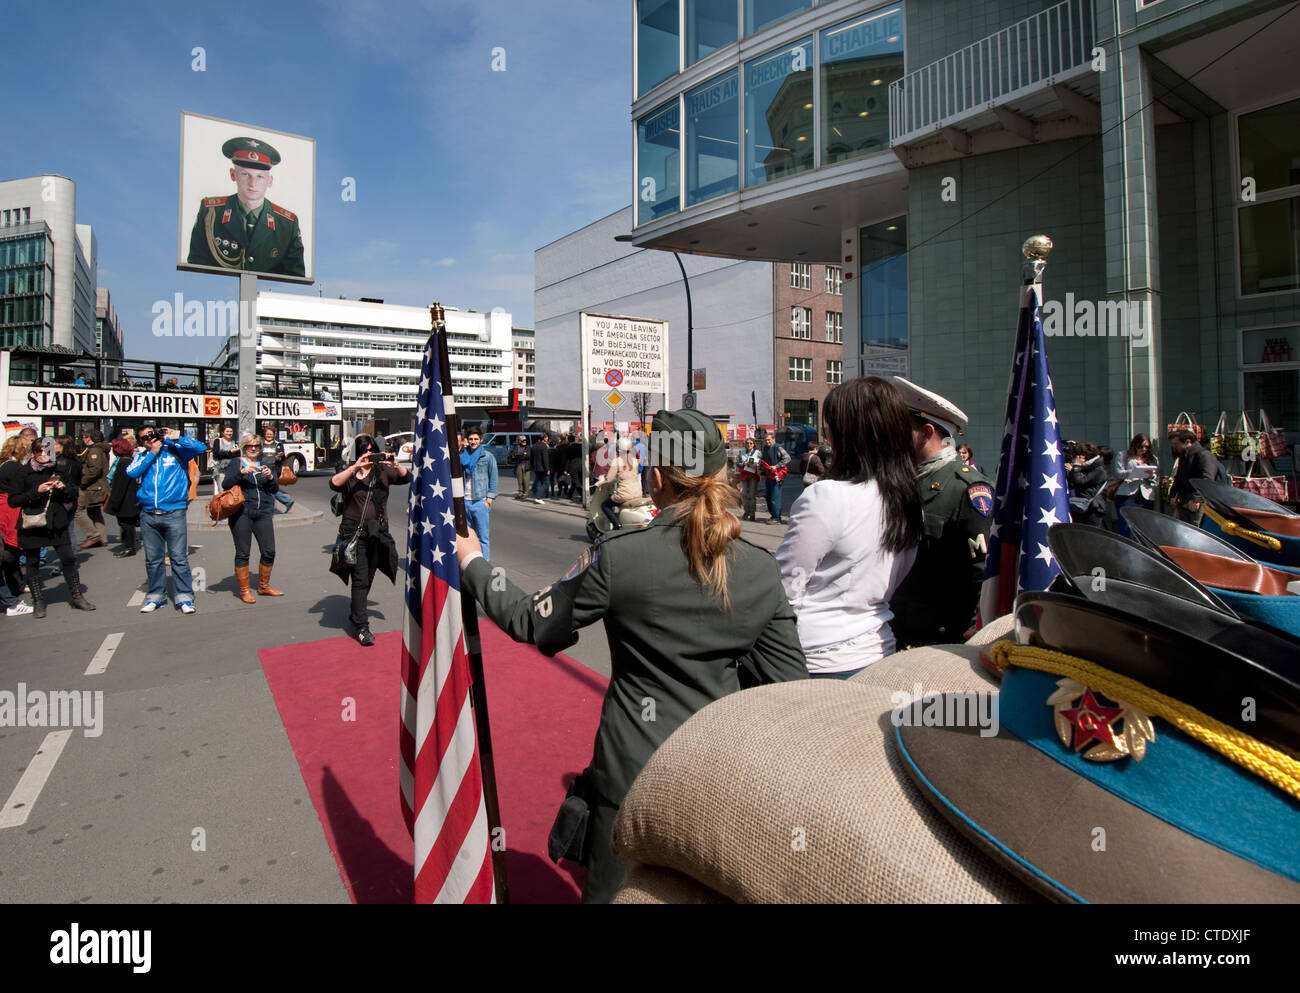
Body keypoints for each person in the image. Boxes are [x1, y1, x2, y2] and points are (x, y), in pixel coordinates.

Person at [454, 407, 808, 902]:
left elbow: (531, 620)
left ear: (657, 476)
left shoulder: (620, 555)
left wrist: (473, 562)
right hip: (716, 775)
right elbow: (790, 689)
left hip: (631, 778)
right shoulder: (760, 569)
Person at [775, 378, 922, 678]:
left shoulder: (827, 496)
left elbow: (785, 587)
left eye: (832, 428)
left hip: (819, 656)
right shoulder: (907, 497)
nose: (828, 437)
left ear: (849, 435)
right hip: (879, 647)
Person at [888, 376, 994, 649]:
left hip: (941, 638)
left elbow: (980, 574)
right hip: (900, 627)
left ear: (926, 432)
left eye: (900, 430)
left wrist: (969, 638)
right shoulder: (907, 481)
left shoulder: (968, 489)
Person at [329, 435, 410, 645]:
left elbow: (406, 477)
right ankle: (362, 626)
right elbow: (334, 483)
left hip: (378, 532)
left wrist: (394, 463)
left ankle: (356, 612)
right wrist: (355, 466)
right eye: (364, 449)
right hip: (354, 532)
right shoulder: (350, 471)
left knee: (369, 577)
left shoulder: (382, 470)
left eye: (372, 449)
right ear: (358, 452)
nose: (368, 453)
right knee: (360, 578)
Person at [186, 136, 306, 277]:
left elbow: (295, 279)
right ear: (233, 175)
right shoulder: (211, 212)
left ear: (270, 181)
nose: (252, 183)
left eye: (259, 176)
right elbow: (196, 268)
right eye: (245, 174)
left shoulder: (287, 224)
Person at [126, 425, 207, 614]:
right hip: (148, 514)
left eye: (151, 435)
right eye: (144, 438)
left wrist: (173, 438)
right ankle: (156, 596)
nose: (149, 439)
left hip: (174, 512)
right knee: (153, 560)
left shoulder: (175, 450)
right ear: (141, 442)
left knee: (179, 559)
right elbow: (132, 473)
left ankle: (184, 597)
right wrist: (152, 453)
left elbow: (200, 448)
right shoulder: (141, 456)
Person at [12, 437, 95, 617]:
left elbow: (73, 493)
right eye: (39, 451)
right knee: (32, 562)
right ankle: (38, 601)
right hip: (32, 522)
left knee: (68, 558)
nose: (43, 455)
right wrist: (36, 491)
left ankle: (76, 596)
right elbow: (14, 500)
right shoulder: (23, 472)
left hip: (56, 521)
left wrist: (63, 488)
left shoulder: (60, 468)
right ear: (33, 453)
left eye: (47, 451)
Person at [222, 433, 283, 603]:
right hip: (242, 512)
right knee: (243, 553)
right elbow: (226, 484)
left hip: (263, 512)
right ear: (244, 447)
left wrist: (270, 477)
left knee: (269, 550)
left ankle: (264, 586)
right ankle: (245, 590)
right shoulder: (236, 463)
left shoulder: (264, 464)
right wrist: (241, 473)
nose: (253, 448)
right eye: (250, 446)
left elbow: (273, 489)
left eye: (256, 446)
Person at [0, 435, 33, 616]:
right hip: (10, 510)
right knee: (11, 550)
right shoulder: (15, 468)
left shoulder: (5, 464)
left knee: (10, 551)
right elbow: (24, 489)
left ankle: (15, 586)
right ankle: (11, 600)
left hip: (6, 508)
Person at [1168, 428, 1221, 524]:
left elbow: (1207, 480)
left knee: (1197, 528)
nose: (1175, 447)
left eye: (1176, 444)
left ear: (1187, 442)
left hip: (1198, 502)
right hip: (1184, 500)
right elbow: (1179, 478)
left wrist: (1197, 499)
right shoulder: (1184, 457)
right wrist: (1173, 494)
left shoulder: (1204, 456)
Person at [460, 427, 498, 560]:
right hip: (465, 501)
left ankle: (485, 564)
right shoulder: (462, 457)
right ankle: (471, 564)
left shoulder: (487, 457)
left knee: (483, 537)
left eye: (476, 439)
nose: (473, 441)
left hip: (480, 501)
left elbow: (493, 478)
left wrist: (489, 500)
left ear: (481, 440)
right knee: (467, 537)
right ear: (467, 441)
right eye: (470, 439)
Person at [1112, 434, 1158, 539]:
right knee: (1125, 524)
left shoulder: (1152, 458)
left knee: (1144, 525)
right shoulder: (1123, 455)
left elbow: (1156, 479)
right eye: (1140, 446)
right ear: (1134, 445)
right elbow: (1119, 473)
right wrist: (1135, 471)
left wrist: (1151, 475)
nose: (1143, 449)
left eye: (1146, 447)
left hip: (1145, 495)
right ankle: (1124, 545)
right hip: (1127, 493)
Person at [74, 429, 112, 549]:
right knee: (94, 511)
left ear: (89, 438)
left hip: (92, 486)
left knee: (77, 510)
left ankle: (93, 535)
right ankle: (102, 538)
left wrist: (82, 481)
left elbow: (94, 470)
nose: (83, 440)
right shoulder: (99, 449)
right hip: (97, 486)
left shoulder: (94, 450)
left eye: (84, 437)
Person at [105, 436, 141, 556]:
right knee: (127, 525)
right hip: (130, 498)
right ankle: (129, 546)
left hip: (125, 500)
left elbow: (120, 486)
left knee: (126, 525)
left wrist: (114, 502)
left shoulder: (122, 463)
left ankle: (129, 547)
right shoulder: (129, 460)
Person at [599, 437, 641, 530]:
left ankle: (617, 525)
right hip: (637, 491)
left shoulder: (617, 461)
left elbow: (609, 479)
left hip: (624, 493)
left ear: (618, 449)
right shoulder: (634, 460)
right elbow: (633, 474)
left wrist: (599, 483)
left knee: (605, 505)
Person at [1067, 442, 1107, 526]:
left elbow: (1081, 481)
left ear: (1084, 455)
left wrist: (1076, 467)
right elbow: (1072, 484)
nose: (1075, 458)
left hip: (1093, 507)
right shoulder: (1085, 467)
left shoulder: (1099, 469)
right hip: (1079, 506)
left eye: (1077, 455)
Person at [758, 430, 791, 524]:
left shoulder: (778, 447)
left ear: (773, 439)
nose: (767, 442)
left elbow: (787, 458)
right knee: (768, 497)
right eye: (766, 440)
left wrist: (776, 466)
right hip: (769, 475)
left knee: (775, 497)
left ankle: (777, 518)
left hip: (777, 475)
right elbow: (763, 460)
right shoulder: (765, 448)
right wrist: (760, 469)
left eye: (769, 440)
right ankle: (773, 516)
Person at [260, 426, 294, 513]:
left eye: (270, 434)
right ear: (264, 434)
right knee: (265, 487)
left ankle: (271, 509)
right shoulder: (260, 443)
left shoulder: (278, 444)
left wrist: (280, 456)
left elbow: (282, 459)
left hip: (273, 468)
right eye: (267, 434)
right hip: (262, 467)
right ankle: (287, 501)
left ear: (274, 435)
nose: (269, 435)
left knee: (271, 487)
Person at [736, 436, 762, 521]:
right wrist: (743, 464)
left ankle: (752, 513)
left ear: (754, 444)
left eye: (751, 443)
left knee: (751, 495)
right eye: (747, 443)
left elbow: (761, 463)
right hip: (744, 474)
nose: (749, 445)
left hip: (753, 475)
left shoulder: (758, 452)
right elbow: (737, 463)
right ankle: (746, 511)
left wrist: (755, 465)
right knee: (742, 493)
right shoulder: (741, 452)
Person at [211, 425, 239, 497]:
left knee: (232, 492)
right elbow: (216, 455)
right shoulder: (218, 441)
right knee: (223, 492)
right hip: (221, 471)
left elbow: (237, 456)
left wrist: (229, 454)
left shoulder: (234, 442)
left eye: (231, 431)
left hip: (232, 471)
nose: (229, 433)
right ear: (223, 432)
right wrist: (229, 452)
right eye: (227, 431)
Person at [529, 433, 550, 503]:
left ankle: (535, 491)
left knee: (538, 481)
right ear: (544, 438)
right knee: (546, 483)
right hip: (543, 468)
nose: (547, 439)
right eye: (546, 438)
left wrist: (532, 466)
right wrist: (547, 469)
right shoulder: (544, 446)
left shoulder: (534, 446)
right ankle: (538, 497)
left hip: (536, 467)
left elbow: (531, 458)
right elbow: (545, 459)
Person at [510, 434, 531, 499]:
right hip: (519, 465)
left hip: (526, 466)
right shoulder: (517, 447)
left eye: (525, 440)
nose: (524, 441)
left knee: (526, 480)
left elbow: (528, 456)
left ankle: (526, 493)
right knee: (520, 480)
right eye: (523, 441)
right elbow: (514, 455)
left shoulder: (528, 447)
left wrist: (519, 455)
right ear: (519, 441)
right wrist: (522, 454)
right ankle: (520, 493)